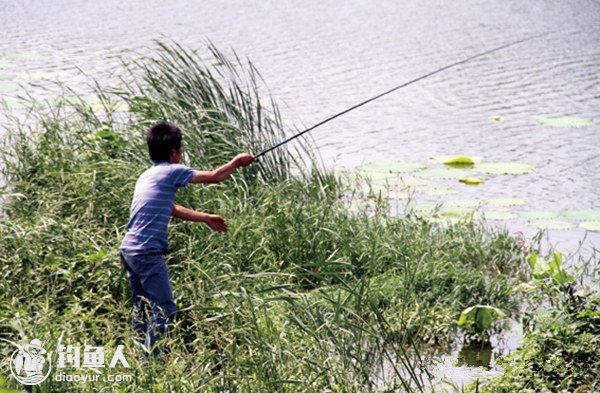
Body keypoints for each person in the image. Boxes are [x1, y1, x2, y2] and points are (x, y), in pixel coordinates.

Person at [119, 121, 254, 354]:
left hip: (129, 250)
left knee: (141, 306)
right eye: (179, 152)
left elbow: (171, 208)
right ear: (174, 153)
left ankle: (137, 351)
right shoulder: (173, 171)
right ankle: (149, 361)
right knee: (165, 308)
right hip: (147, 251)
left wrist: (205, 217)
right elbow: (215, 177)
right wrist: (237, 162)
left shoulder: (147, 175)